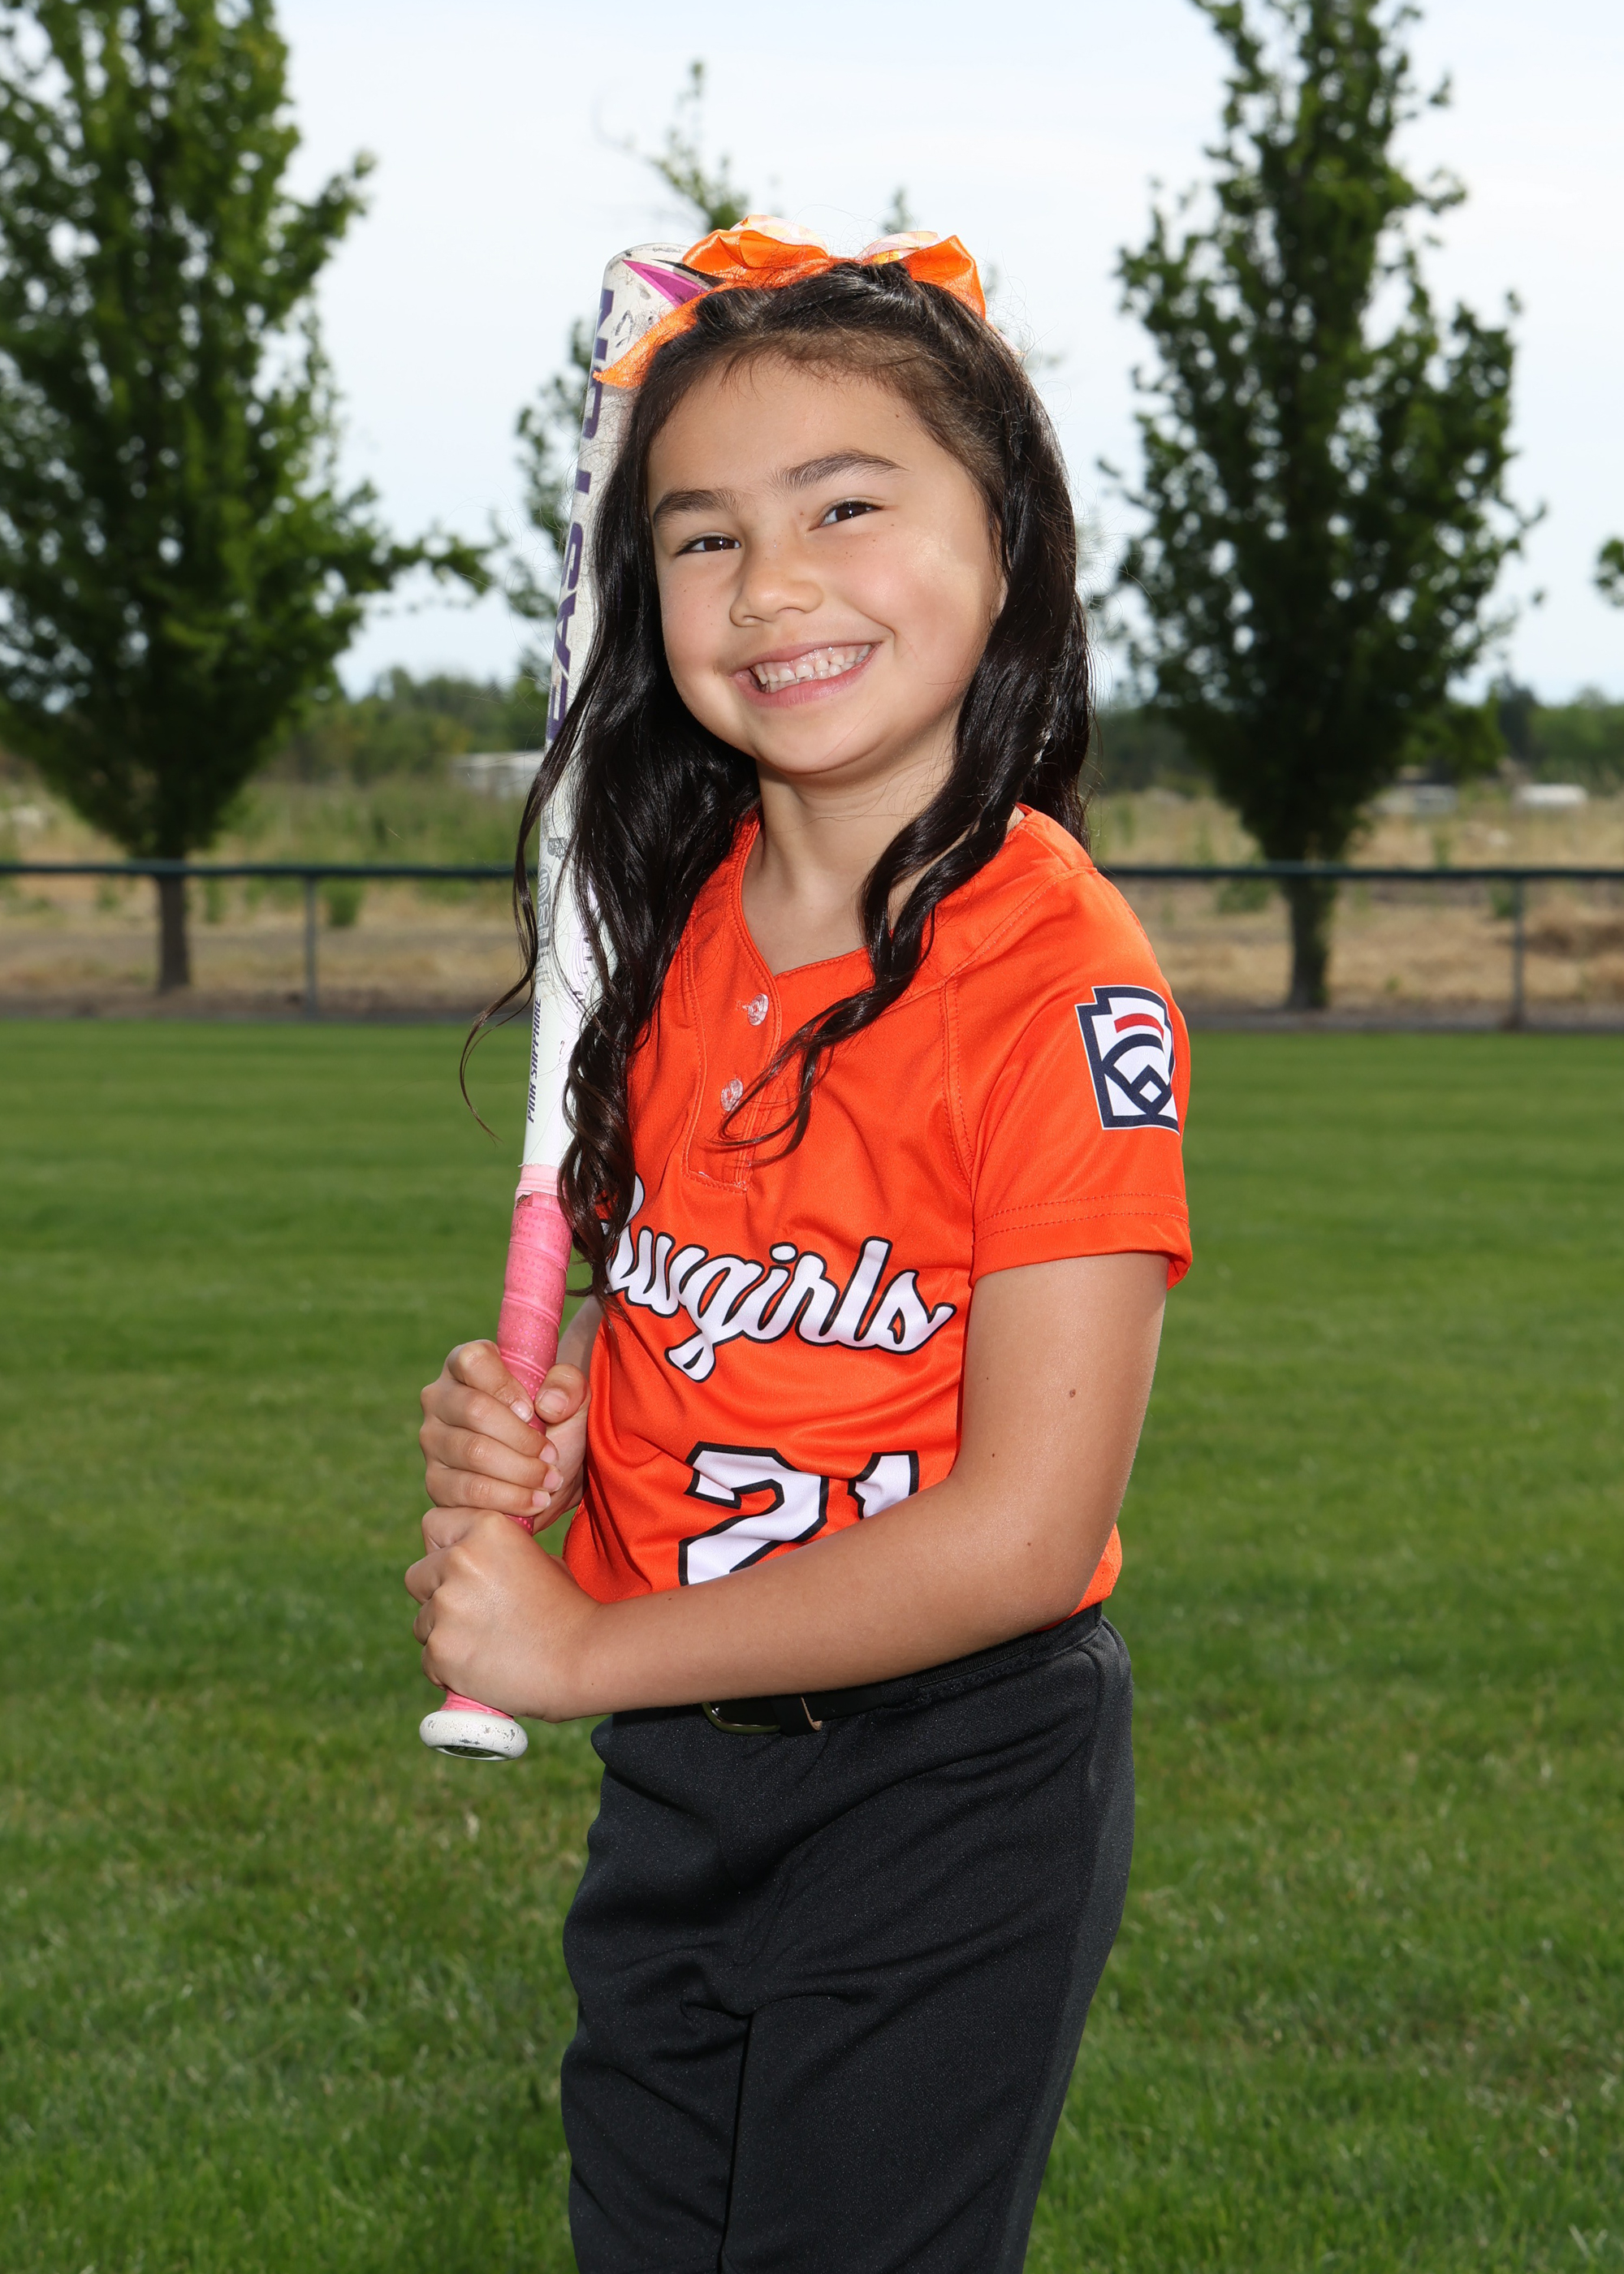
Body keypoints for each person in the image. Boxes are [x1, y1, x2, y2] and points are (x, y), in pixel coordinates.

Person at [406, 220, 1191, 2274]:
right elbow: (703, 1331)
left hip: (948, 1777)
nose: (769, 583)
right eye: (703, 535)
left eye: (846, 504)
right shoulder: (671, 938)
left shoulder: (1062, 982)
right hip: (686, 1773)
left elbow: (1022, 1530)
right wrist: (558, 1435)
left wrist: (579, 1650)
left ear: (1004, 542)